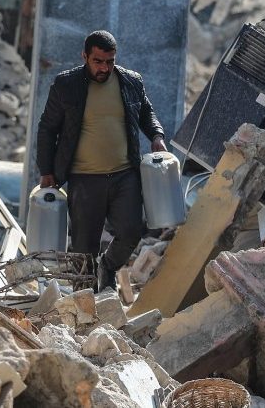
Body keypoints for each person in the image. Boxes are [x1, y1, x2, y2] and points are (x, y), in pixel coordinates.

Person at [36, 30, 167, 290]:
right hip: (84, 179)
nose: (104, 68)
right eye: (98, 61)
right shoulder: (66, 85)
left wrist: (156, 135)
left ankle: (107, 266)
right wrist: (46, 170)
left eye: (110, 61)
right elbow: (47, 128)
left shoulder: (131, 82)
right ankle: (84, 299)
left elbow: (146, 112)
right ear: (84, 56)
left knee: (131, 232)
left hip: (124, 175)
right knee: (84, 248)